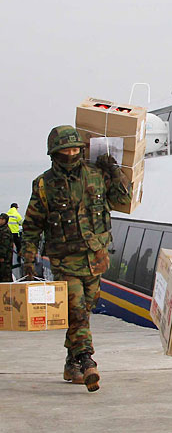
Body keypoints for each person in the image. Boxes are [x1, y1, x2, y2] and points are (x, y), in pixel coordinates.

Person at [21, 125, 131, 391]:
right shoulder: (44, 185)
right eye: (65, 151)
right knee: (77, 311)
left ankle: (71, 363)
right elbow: (32, 225)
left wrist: (114, 171)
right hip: (65, 261)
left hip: (96, 258)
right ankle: (87, 361)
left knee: (85, 311)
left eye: (75, 150)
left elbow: (122, 198)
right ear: (54, 154)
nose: (71, 155)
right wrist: (28, 259)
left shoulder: (96, 175)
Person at [0, 213, 14, 281]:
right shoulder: (2, 229)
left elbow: (4, 245)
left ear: (5, 220)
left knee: (5, 274)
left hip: (5, 257)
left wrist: (2, 256)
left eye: (1, 219)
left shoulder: (5, 231)